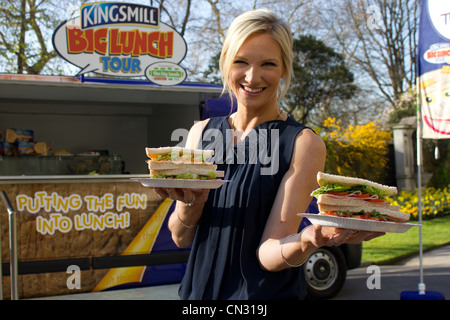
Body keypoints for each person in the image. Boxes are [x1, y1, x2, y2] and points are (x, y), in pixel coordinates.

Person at [153, 9, 383, 300]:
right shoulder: (200, 133)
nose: (252, 76)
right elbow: (180, 236)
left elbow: (269, 253)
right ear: (226, 63)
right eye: (241, 62)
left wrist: (308, 240)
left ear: (284, 69)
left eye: (268, 64)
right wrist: (191, 203)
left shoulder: (302, 143)